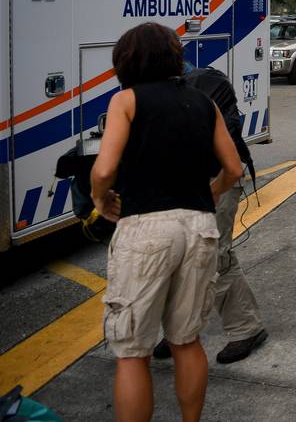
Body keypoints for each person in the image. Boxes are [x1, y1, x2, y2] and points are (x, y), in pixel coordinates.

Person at [91, 23, 242, 422]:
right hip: (199, 228)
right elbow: (234, 168)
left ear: (128, 61)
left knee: (132, 351)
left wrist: (98, 197)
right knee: (186, 340)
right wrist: (209, 194)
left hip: (147, 229)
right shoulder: (203, 103)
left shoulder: (126, 101)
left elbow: (104, 169)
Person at [152, 65, 267, 365]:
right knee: (177, 255)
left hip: (217, 178)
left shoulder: (197, 85)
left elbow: (227, 158)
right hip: (184, 180)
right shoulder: (158, 90)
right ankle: (179, 330)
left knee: (216, 253)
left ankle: (247, 328)